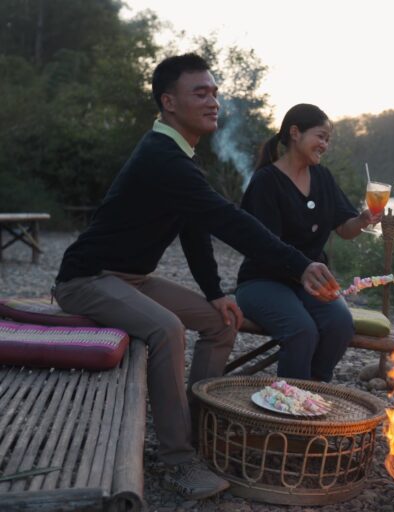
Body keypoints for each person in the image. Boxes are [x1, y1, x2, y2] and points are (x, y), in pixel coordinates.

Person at [53, 55, 340, 500]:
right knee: (167, 328)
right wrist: (298, 264)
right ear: (169, 102)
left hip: (132, 278)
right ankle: (178, 460)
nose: (213, 102)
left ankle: (199, 428)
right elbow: (227, 220)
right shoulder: (161, 156)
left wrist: (213, 293)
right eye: (200, 93)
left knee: (220, 320)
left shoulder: (180, 157)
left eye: (215, 93)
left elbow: (195, 229)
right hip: (86, 279)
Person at [235, 104, 380, 382]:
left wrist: (362, 220)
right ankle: (291, 404)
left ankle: (314, 387)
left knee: (340, 324)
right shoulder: (266, 181)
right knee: (302, 330)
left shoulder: (323, 177)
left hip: (312, 282)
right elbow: (263, 247)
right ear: (294, 133)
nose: (325, 145)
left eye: (328, 139)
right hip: (263, 281)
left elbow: (344, 229)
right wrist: (302, 270)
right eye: (320, 136)